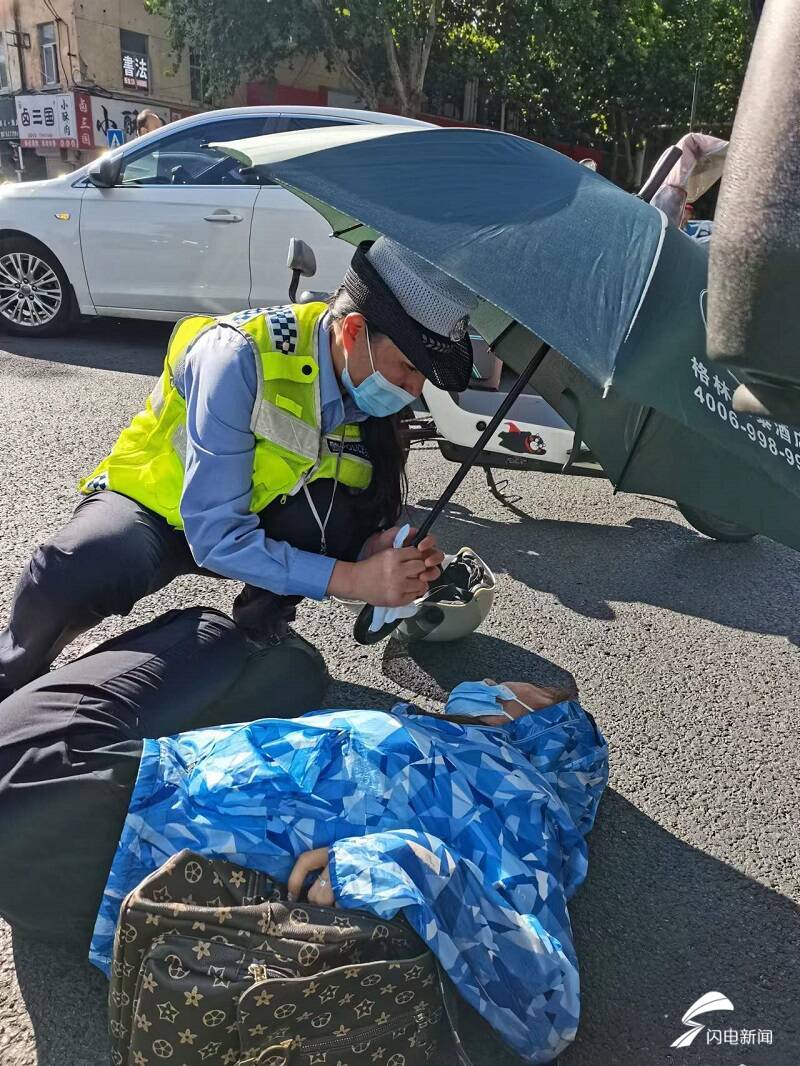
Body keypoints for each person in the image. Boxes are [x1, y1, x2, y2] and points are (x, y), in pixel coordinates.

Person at [0, 607, 607, 1064]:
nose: (493, 687)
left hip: (125, 830)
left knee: (204, 634)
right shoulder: (464, 749)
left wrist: (384, 865)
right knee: (269, 661)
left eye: (518, 692)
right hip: (134, 803)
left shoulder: (524, 814)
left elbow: (548, 1009)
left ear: (542, 729)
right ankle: (270, 655)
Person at [0, 238, 478, 698]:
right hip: (156, 509)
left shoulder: (371, 389)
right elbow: (215, 535)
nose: (414, 390)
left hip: (255, 516)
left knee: (333, 521)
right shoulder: (239, 355)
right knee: (78, 564)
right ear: (353, 331)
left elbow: (352, 507)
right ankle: (14, 671)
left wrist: (382, 549)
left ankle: (254, 636)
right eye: (407, 368)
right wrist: (353, 580)